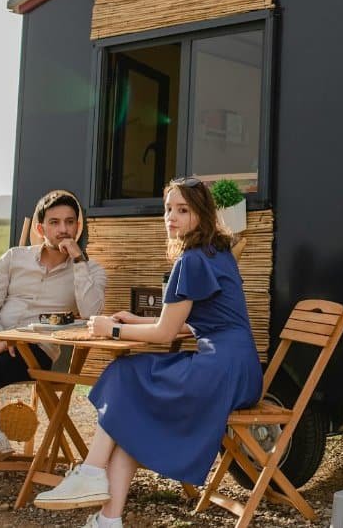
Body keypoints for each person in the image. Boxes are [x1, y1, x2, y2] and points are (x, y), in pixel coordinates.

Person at [34, 177, 261, 528]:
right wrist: (137, 319)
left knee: (125, 372)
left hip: (219, 372)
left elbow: (166, 333)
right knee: (130, 416)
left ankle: (92, 472)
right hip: (241, 369)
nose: (171, 217)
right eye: (168, 208)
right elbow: (193, 323)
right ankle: (109, 519)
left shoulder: (192, 260)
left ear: (202, 213)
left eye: (183, 210)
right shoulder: (218, 251)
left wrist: (109, 328)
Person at [0, 189, 107, 513]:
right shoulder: (13, 258)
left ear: (78, 228)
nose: (63, 229)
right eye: (55, 222)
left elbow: (92, 314)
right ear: (40, 228)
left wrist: (78, 260)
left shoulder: (90, 269)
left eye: (70, 223)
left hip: (39, 354)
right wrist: (0, 336)